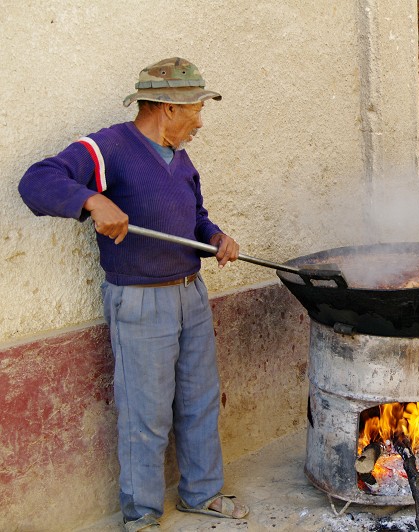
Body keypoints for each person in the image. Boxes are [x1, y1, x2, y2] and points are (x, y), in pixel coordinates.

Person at [18, 57, 249, 531]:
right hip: (141, 300)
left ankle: (201, 493)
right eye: (196, 110)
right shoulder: (107, 147)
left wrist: (216, 237)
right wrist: (92, 199)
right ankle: (141, 513)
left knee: (200, 400)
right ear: (167, 107)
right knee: (145, 412)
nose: (201, 121)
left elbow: (195, 216)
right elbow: (36, 181)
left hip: (190, 293)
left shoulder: (180, 155)